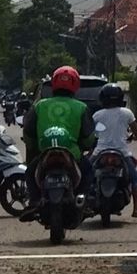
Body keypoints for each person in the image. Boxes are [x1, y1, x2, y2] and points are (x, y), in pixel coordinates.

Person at [19, 66, 95, 221]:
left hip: (44, 152)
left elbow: (28, 131)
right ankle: (84, 201)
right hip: (72, 153)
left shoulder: (39, 105)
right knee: (88, 171)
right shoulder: (81, 107)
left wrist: (33, 146)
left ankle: (33, 201)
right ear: (75, 84)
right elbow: (88, 136)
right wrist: (85, 146)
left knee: (29, 172)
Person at [92, 83, 137, 219]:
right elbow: (136, 133)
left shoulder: (97, 115)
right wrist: (136, 137)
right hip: (122, 153)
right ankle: (136, 209)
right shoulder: (127, 113)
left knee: (86, 175)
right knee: (136, 180)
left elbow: (93, 133)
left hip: (99, 152)